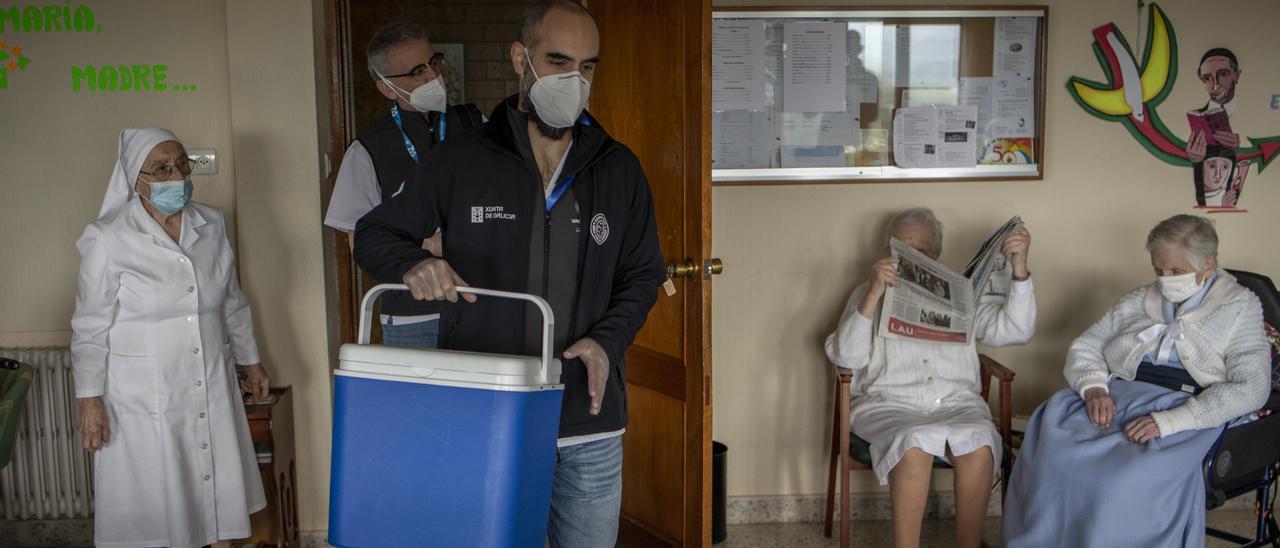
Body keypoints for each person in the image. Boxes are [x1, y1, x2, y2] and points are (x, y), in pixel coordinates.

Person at [353, 1, 665, 546]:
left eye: (587, 66)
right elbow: (375, 233)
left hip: (588, 421)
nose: (573, 79)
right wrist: (414, 263)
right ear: (521, 58)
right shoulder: (461, 160)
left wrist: (606, 341)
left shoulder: (618, 167)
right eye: (558, 60)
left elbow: (642, 274)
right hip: (489, 415)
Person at [1003, 215, 1270, 547]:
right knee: (1051, 458)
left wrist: (1171, 422)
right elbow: (1088, 345)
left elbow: (1253, 387)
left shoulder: (1240, 305)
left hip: (1187, 408)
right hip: (1117, 394)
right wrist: (1093, 387)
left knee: (1120, 480)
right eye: (1158, 270)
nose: (1164, 280)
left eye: (1175, 272)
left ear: (1208, 264)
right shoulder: (1140, 299)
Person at [71, 128, 271, 547]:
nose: (176, 174)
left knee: (218, 492)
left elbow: (231, 300)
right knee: (157, 506)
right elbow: (89, 326)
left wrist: (251, 362)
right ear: (135, 177)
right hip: (142, 396)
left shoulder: (213, 223)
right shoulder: (108, 237)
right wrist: (89, 399)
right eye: (161, 167)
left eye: (182, 163)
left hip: (210, 378)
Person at [824, 208, 1035, 548]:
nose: (909, 260)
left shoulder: (961, 292)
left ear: (935, 255)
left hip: (956, 403)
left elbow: (1016, 331)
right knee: (915, 440)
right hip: (889, 405)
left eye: (919, 252)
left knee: (980, 441)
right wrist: (873, 296)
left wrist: (1020, 270)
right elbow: (846, 358)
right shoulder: (867, 290)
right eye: (900, 250)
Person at [323, 21, 485, 349]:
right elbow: (362, 243)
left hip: (482, 303)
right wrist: (428, 251)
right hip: (414, 317)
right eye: (416, 72)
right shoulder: (367, 150)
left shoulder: (475, 126)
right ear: (386, 87)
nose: (432, 77)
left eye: (433, 63)